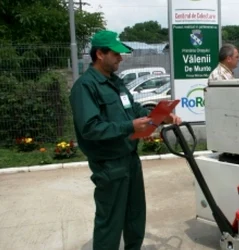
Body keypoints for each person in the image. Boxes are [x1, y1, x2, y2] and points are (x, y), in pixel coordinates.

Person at [69, 30, 182, 250]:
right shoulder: (85, 87)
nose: (121, 58)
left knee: (135, 214)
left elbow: (135, 108)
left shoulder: (117, 83)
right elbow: (90, 129)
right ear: (100, 54)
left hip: (130, 158)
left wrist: (160, 116)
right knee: (110, 220)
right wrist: (129, 126)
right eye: (116, 54)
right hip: (109, 164)